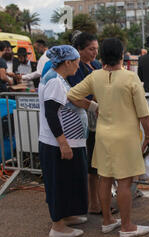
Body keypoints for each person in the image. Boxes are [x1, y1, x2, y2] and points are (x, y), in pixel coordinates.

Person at [68, 38, 149, 237]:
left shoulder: (95, 76)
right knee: (124, 181)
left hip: (103, 134)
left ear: (103, 55)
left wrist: (92, 106)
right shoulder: (130, 78)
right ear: (121, 54)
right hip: (126, 137)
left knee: (104, 178)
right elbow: (144, 113)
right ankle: (127, 226)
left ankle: (107, 221)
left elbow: (71, 94)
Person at [38, 45, 97, 237]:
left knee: (70, 180)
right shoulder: (54, 81)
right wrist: (63, 143)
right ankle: (58, 226)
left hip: (69, 141)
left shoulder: (59, 80)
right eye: (77, 62)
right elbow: (51, 113)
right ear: (68, 62)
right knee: (60, 183)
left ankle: (67, 216)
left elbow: (72, 101)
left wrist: (92, 106)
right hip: (57, 143)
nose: (78, 66)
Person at [66, 32, 115, 217]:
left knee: (100, 164)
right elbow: (76, 94)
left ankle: (97, 202)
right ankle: (93, 204)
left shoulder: (95, 65)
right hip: (84, 122)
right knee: (92, 166)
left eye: (96, 49)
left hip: (99, 120)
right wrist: (94, 103)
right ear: (80, 50)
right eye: (90, 49)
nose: (95, 53)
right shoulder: (76, 69)